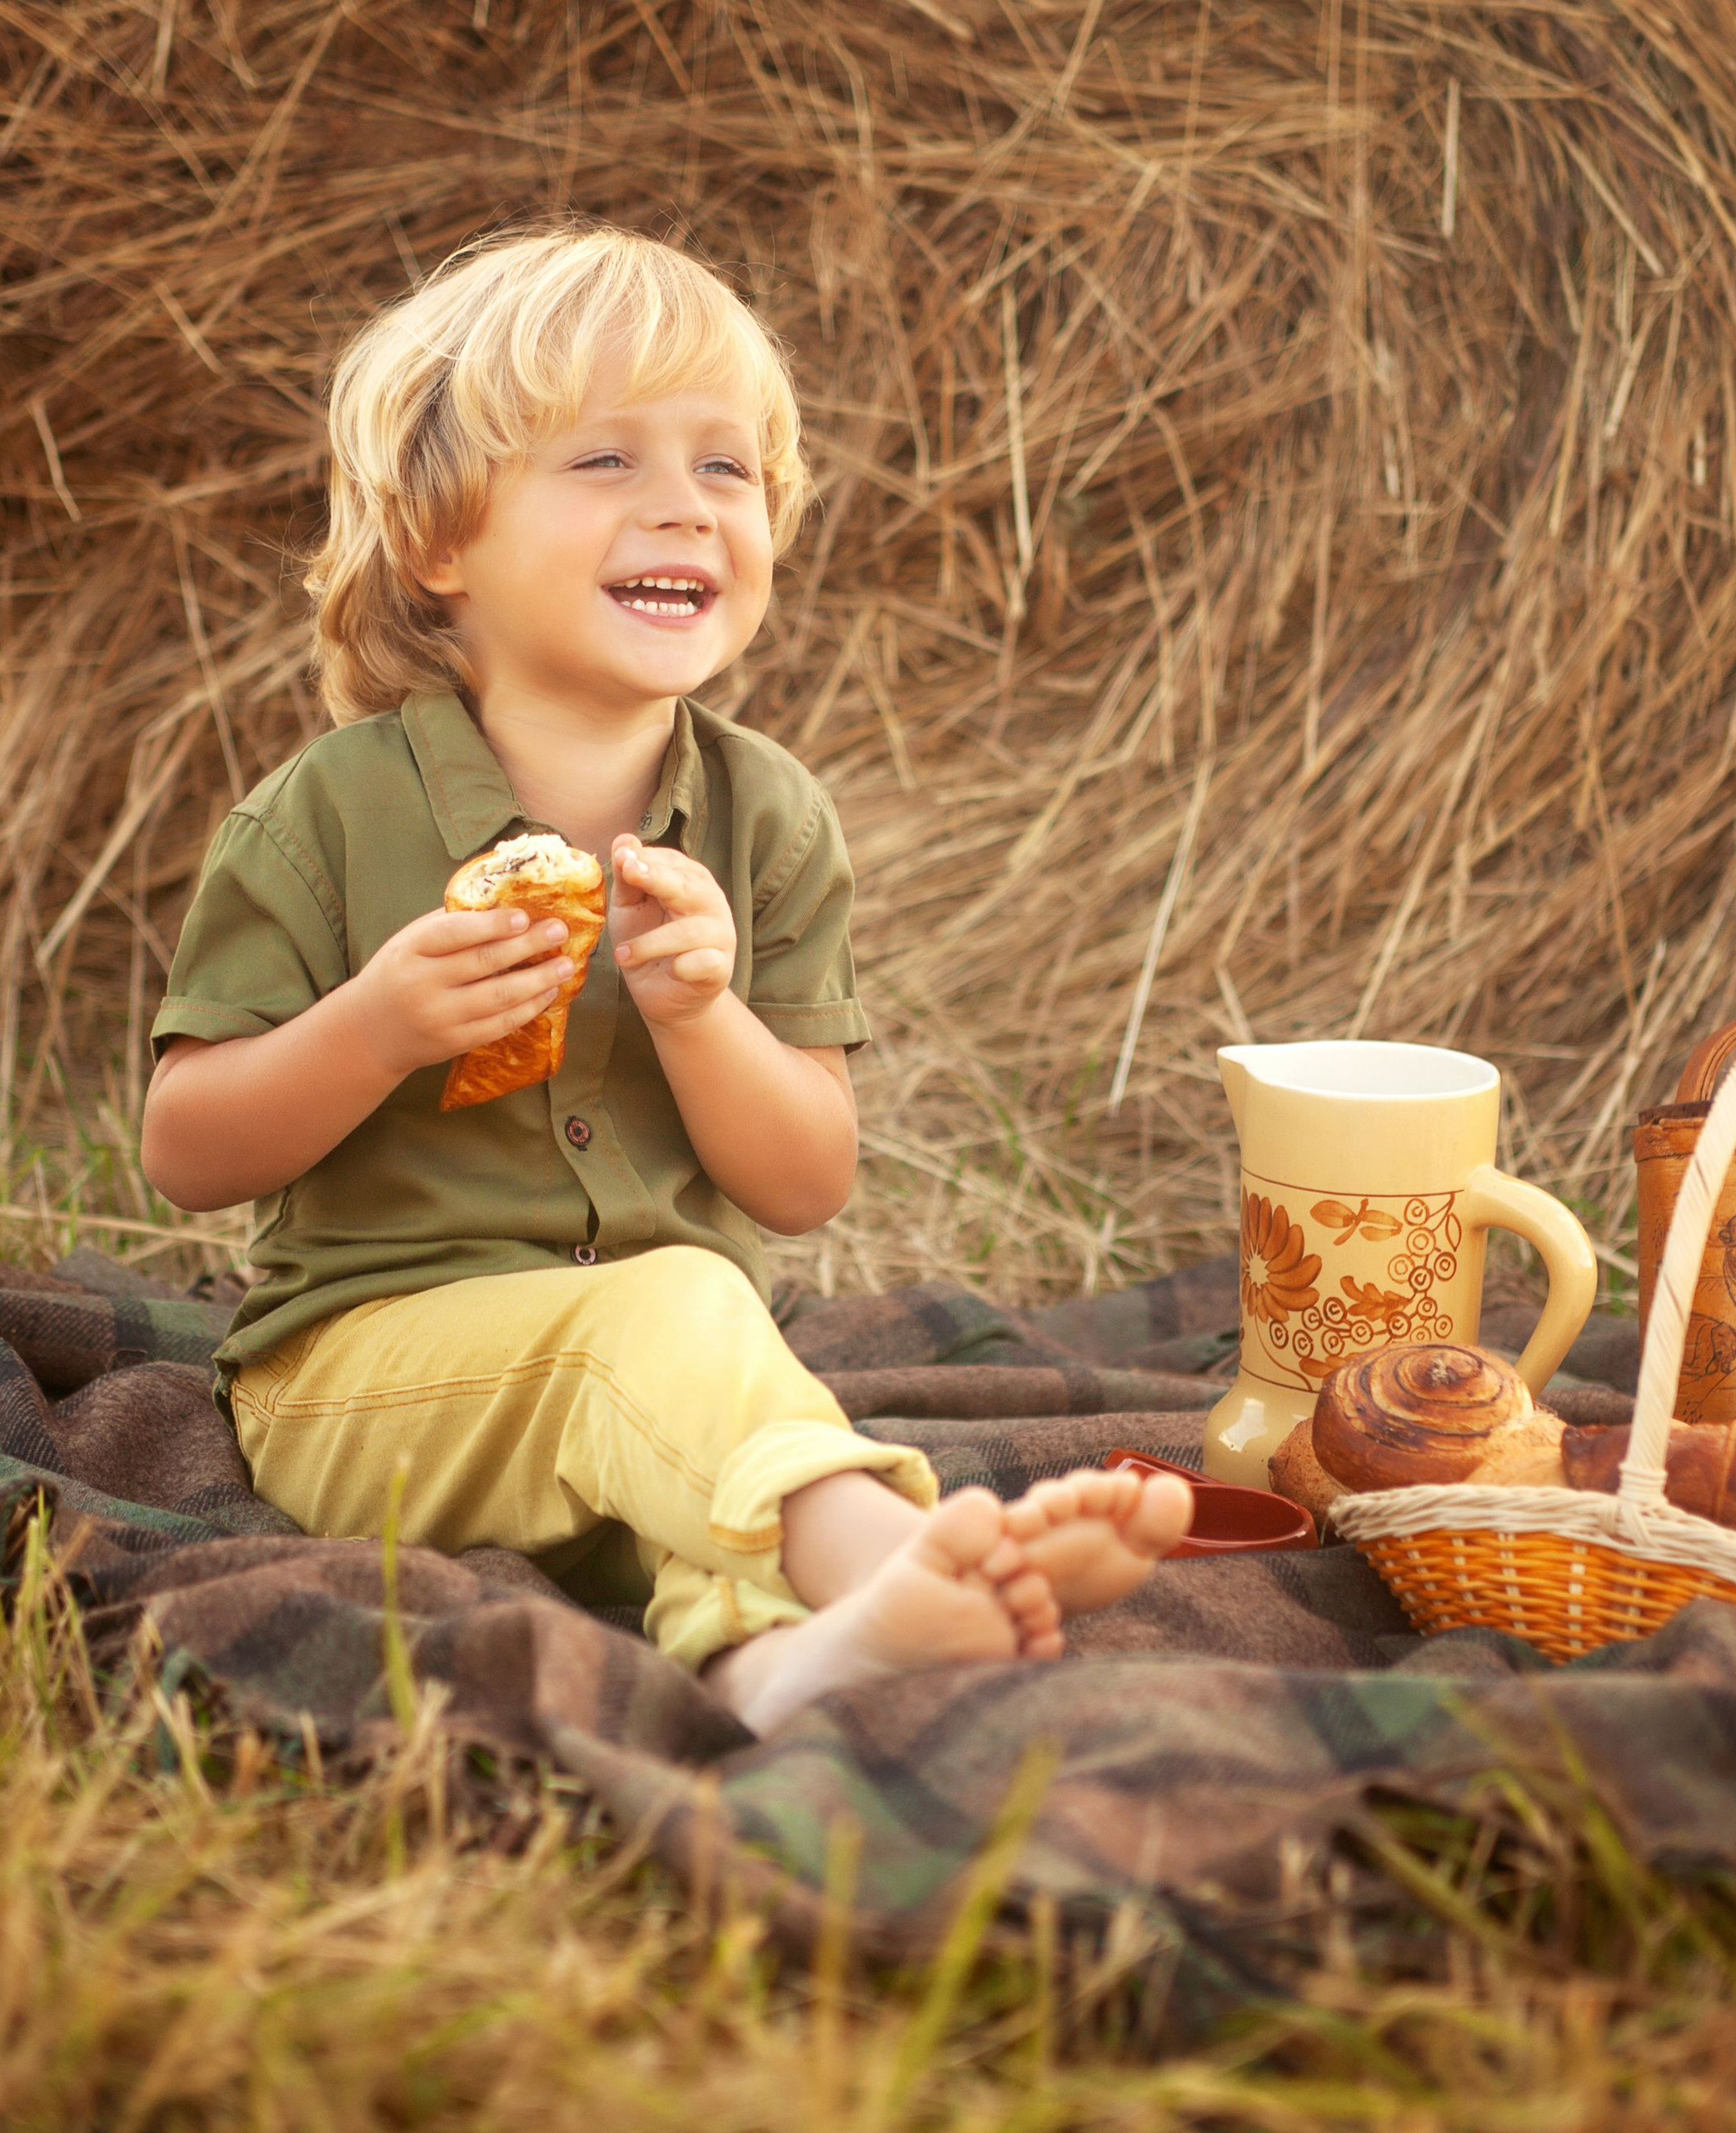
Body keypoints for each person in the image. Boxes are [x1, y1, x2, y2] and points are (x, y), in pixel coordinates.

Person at [140, 225, 1192, 1735]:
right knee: (679, 1322)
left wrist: (703, 1017)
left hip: (669, 1390)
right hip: (365, 1392)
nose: (685, 506)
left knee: (689, 1420)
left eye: (725, 468)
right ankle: (890, 1549)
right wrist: (376, 1027)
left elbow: (803, 1183)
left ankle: (781, 1666)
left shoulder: (773, 819)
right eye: (605, 461)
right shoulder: (326, 815)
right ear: (439, 541)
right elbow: (187, 1154)